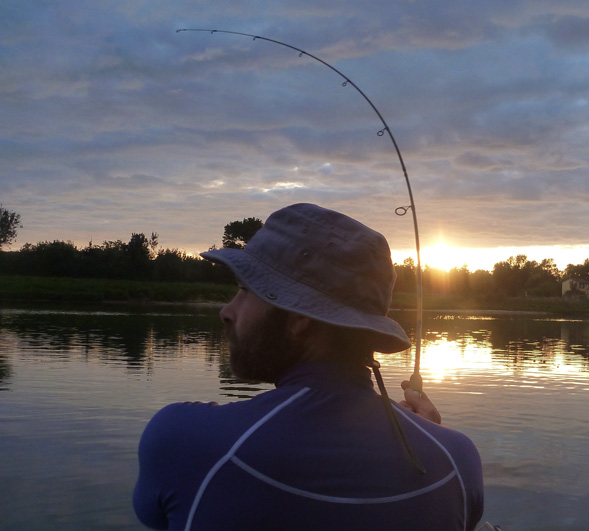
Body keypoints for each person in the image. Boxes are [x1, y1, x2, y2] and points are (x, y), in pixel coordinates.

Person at [133, 203, 484, 530]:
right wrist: (429, 440)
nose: (227, 311)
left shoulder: (181, 439)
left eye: (245, 290)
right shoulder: (458, 460)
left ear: (300, 318)